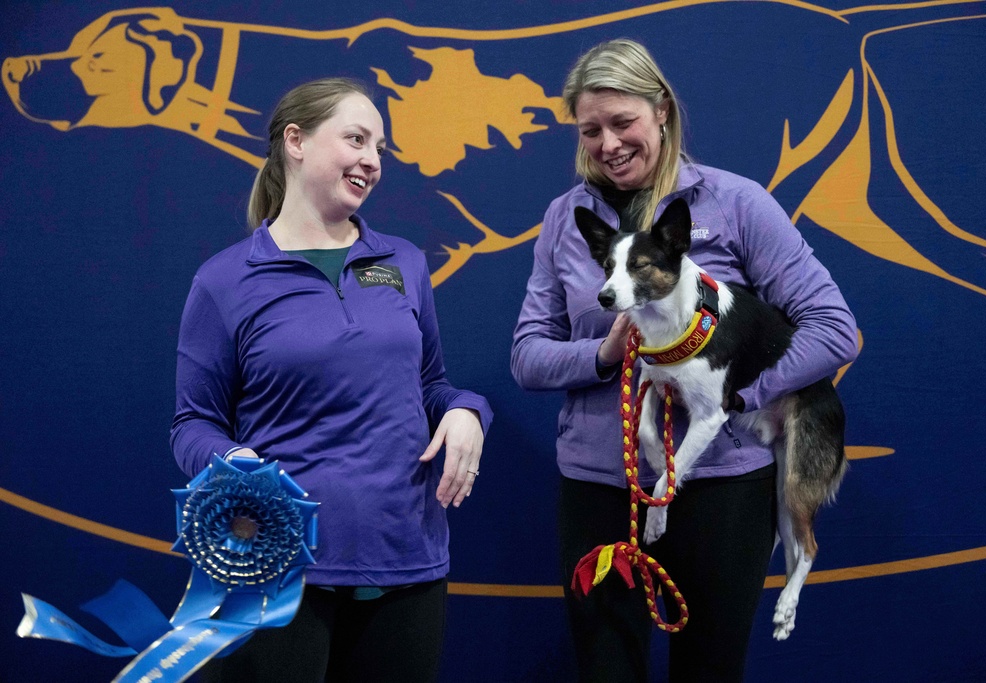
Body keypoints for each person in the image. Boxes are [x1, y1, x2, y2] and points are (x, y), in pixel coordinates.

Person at [511, 40, 858, 682]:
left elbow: (835, 330)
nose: (608, 143)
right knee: (606, 670)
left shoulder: (734, 203)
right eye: (591, 130)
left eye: (623, 123)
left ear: (662, 111)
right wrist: (605, 351)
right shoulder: (565, 220)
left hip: (720, 490)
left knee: (709, 670)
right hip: (599, 488)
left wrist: (738, 395)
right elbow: (527, 356)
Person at [171, 77, 491, 683]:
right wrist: (235, 463)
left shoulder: (405, 262)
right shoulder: (224, 281)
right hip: (280, 565)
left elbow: (431, 386)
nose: (372, 160)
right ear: (295, 141)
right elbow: (193, 424)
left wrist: (467, 412)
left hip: (407, 558)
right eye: (356, 139)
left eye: (380, 148)